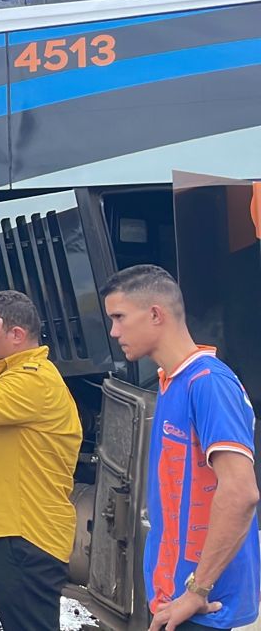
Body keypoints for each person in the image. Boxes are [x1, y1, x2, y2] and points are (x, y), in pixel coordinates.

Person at [103, 265, 260, 631]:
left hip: (206, 609)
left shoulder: (209, 383)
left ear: (155, 313)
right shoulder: (172, 381)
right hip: (176, 602)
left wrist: (196, 590)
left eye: (120, 317)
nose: (113, 331)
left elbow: (241, 492)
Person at [0, 290, 83, 631]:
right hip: (15, 534)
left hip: (25, 537)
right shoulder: (17, 376)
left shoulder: (34, 379)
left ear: (17, 335)